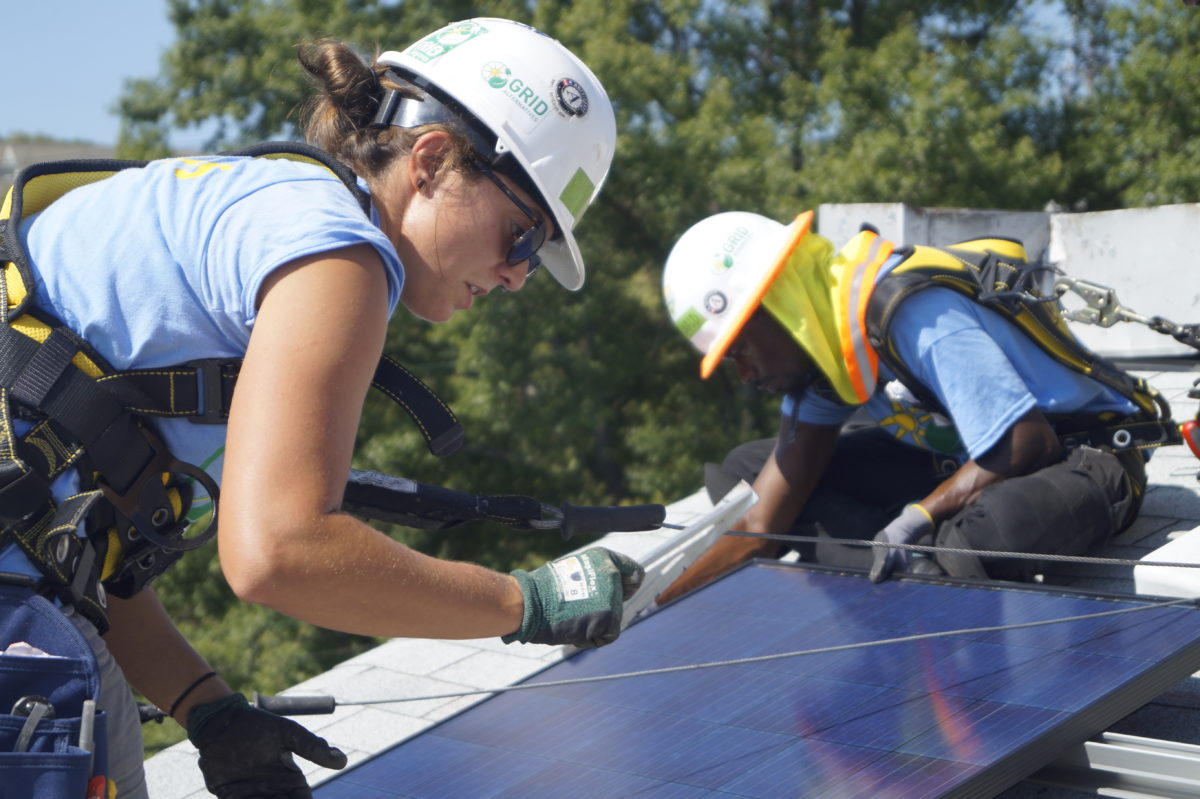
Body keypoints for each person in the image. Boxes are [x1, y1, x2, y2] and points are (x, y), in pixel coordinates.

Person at [0, 17, 642, 799]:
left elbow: (70, 552)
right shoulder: (336, 251)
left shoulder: (272, 204)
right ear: (433, 161)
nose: (515, 276)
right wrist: (526, 602)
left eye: (533, 260)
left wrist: (209, 711)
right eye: (519, 236)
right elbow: (279, 549)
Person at [656, 209, 1172, 604]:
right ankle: (909, 568)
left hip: (1080, 456)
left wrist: (920, 514)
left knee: (977, 540)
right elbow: (758, 528)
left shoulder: (910, 313)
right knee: (745, 476)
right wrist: (646, 607)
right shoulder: (824, 357)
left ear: (781, 305)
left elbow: (1027, 442)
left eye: (740, 349)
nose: (746, 376)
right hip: (965, 460)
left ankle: (922, 563)